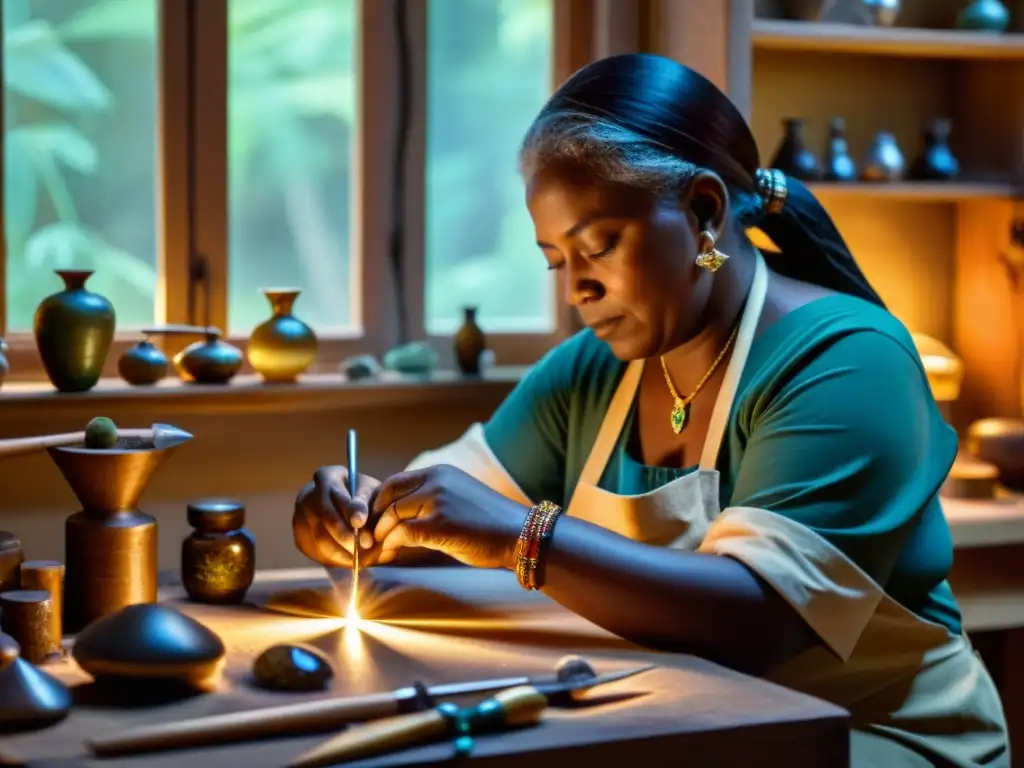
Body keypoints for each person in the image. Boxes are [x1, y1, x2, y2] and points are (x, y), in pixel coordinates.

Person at [294, 53, 1008, 766]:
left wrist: (522, 537)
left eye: (599, 247)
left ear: (703, 212)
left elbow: (761, 619)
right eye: (556, 261)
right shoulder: (593, 370)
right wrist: (365, 513)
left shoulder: (850, 360)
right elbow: (449, 516)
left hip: (866, 732)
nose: (578, 289)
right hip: (707, 719)